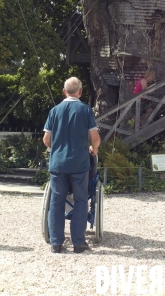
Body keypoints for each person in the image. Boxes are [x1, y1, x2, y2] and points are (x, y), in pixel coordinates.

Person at [43, 77, 101, 254]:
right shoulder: (85, 110)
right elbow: (95, 138)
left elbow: (46, 140)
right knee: (82, 200)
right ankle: (78, 242)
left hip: (58, 164)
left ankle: (56, 243)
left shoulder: (54, 111)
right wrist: (94, 149)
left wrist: (58, 149)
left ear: (63, 91)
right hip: (79, 163)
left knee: (56, 201)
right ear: (80, 91)